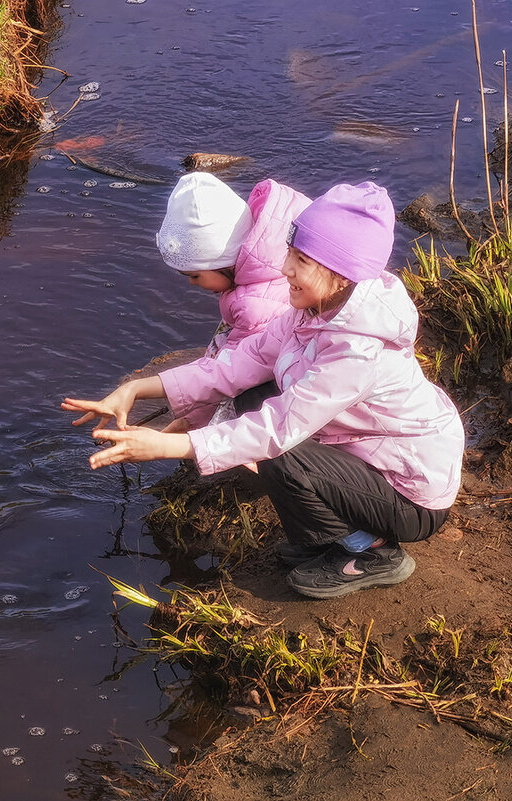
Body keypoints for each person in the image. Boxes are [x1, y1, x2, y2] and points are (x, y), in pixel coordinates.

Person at [62, 182, 465, 600]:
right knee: (251, 398)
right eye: (290, 252)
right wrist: (139, 388)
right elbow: (241, 362)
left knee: (281, 452)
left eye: (302, 260)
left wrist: (171, 446)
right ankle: (332, 536)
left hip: (410, 494)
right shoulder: (313, 310)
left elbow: (277, 430)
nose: (286, 267)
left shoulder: (356, 350)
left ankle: (374, 552)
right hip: (367, 453)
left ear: (341, 272)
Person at [155, 171, 312, 427]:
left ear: (223, 262)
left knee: (243, 401)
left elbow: (229, 373)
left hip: (292, 393)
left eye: (195, 275)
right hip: (295, 367)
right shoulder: (270, 263)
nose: (193, 284)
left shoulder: (254, 306)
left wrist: (189, 423)